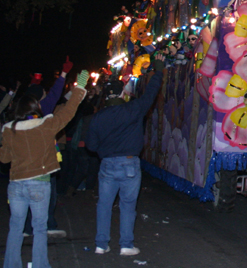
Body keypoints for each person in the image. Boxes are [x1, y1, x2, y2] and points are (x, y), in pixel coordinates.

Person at [0, 71, 87, 268]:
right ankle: (40, 265)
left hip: (16, 186)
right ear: (36, 107)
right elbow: (68, 112)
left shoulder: (8, 129)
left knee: (15, 227)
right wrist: (79, 88)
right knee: (39, 228)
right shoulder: (44, 125)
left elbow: (4, 158)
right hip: (39, 183)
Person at [87, 53, 165, 256]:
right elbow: (151, 94)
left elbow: (91, 145)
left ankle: (101, 244)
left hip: (107, 164)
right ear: (122, 94)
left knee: (104, 205)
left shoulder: (98, 118)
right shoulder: (133, 109)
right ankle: (126, 245)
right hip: (129, 164)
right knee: (128, 206)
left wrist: (107, 149)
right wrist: (158, 71)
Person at [22, 57, 73, 239]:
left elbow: (59, 99)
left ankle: (27, 227)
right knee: (48, 194)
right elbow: (55, 95)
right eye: (43, 93)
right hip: (44, 161)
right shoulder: (42, 110)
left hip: (24, 163)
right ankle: (47, 224)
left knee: (27, 195)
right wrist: (65, 74)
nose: (46, 95)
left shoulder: (19, 113)